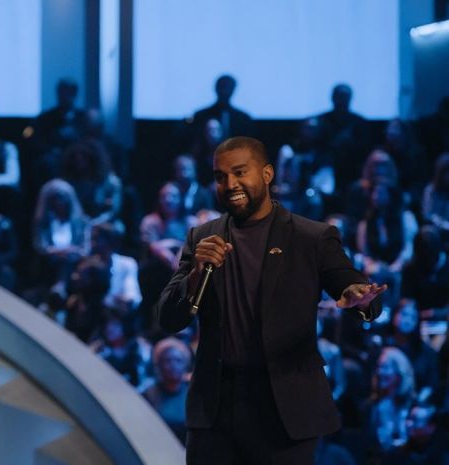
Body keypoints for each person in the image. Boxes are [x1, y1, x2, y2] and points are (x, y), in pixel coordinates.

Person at [157, 136, 387, 465]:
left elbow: (355, 288)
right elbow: (168, 318)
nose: (230, 184)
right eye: (221, 177)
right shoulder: (201, 238)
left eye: (239, 173)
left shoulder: (311, 237)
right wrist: (195, 274)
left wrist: (361, 300)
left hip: (284, 409)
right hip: (216, 409)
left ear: (267, 174)